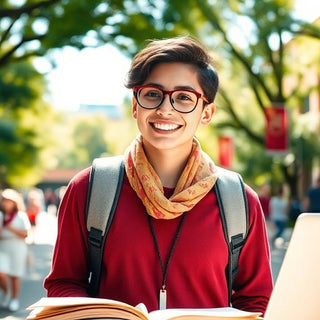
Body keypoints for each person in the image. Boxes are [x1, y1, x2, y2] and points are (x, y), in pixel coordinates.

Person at [44, 36, 273, 315]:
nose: (165, 109)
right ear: (135, 106)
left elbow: (258, 301)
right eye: (152, 94)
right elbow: (63, 284)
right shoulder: (89, 188)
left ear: (206, 113)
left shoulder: (238, 200)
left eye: (184, 98)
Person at [0, 189, 31, 312]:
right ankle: (6, 292)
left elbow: (25, 234)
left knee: (14, 275)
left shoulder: (21, 216)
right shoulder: (1, 216)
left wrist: (10, 227)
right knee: (2, 273)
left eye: (8, 201)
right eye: (4, 201)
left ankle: (14, 298)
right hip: (3, 247)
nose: (5, 204)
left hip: (17, 247)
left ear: (14, 202)